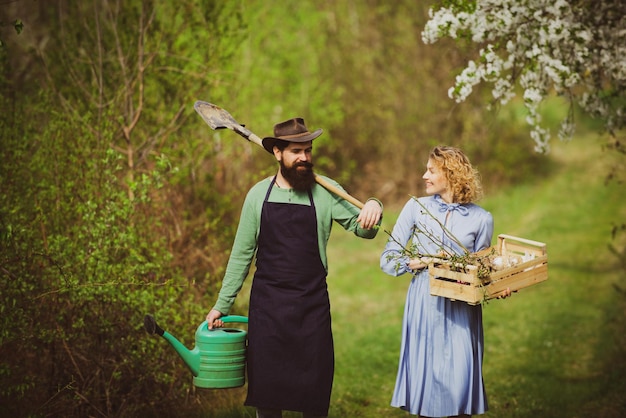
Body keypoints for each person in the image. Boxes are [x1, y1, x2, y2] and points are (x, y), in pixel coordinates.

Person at [206, 117, 383, 418]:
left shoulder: (325, 191)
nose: (304, 158)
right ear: (278, 153)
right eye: (296, 151)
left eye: (308, 150)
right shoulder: (257, 196)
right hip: (268, 310)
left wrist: (373, 206)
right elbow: (241, 256)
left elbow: (365, 230)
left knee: (314, 398)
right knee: (268, 399)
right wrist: (222, 304)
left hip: (311, 309)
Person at [380, 145, 509, 418]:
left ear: (450, 174)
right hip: (425, 304)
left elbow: (481, 269)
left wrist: (499, 285)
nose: (423, 175)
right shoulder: (416, 208)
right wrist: (414, 263)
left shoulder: (481, 218)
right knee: (427, 389)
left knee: (460, 381)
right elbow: (388, 258)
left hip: (462, 309)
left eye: (431, 170)